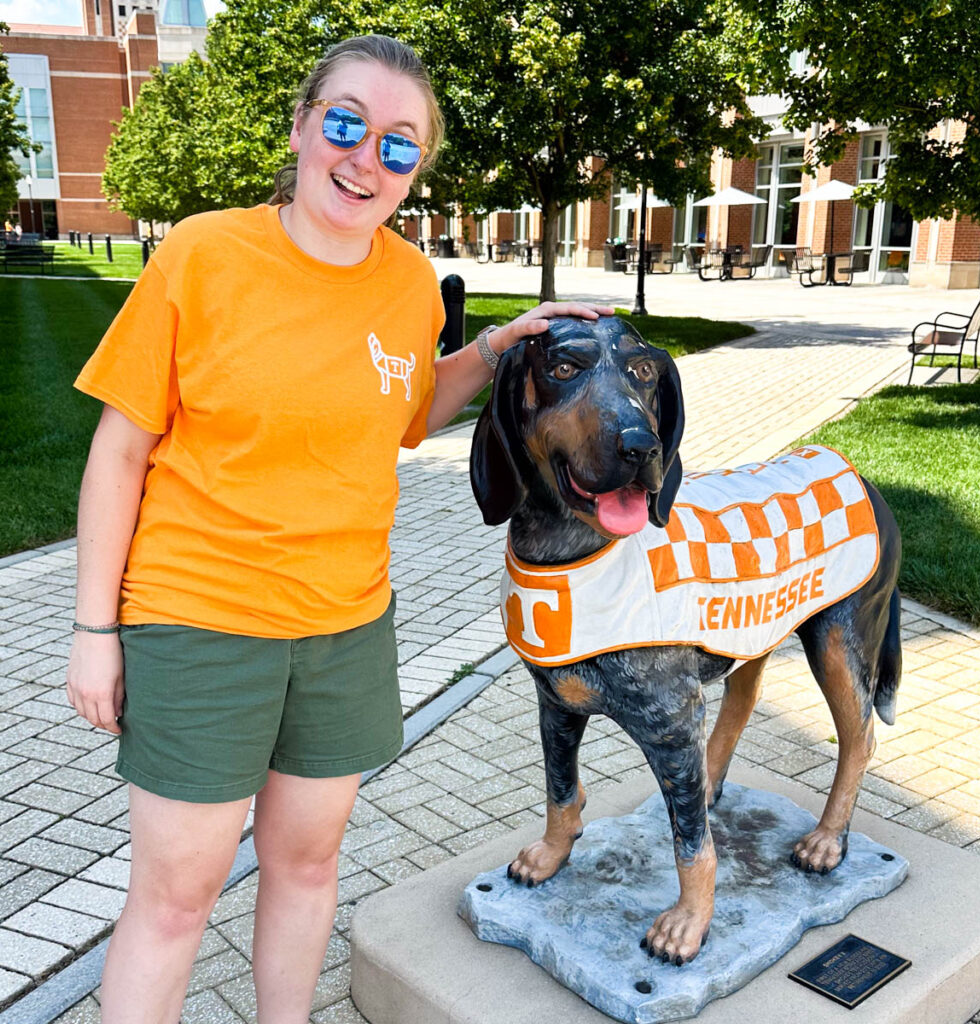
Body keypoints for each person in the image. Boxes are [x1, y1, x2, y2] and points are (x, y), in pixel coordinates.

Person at [66, 33, 611, 1023]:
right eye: (347, 124)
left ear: (417, 170)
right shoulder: (203, 253)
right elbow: (118, 453)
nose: (366, 158)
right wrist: (94, 631)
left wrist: (491, 349)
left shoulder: (406, 284)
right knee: (178, 899)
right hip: (200, 622)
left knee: (308, 865)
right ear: (303, 126)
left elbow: (400, 413)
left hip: (346, 628)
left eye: (398, 143)